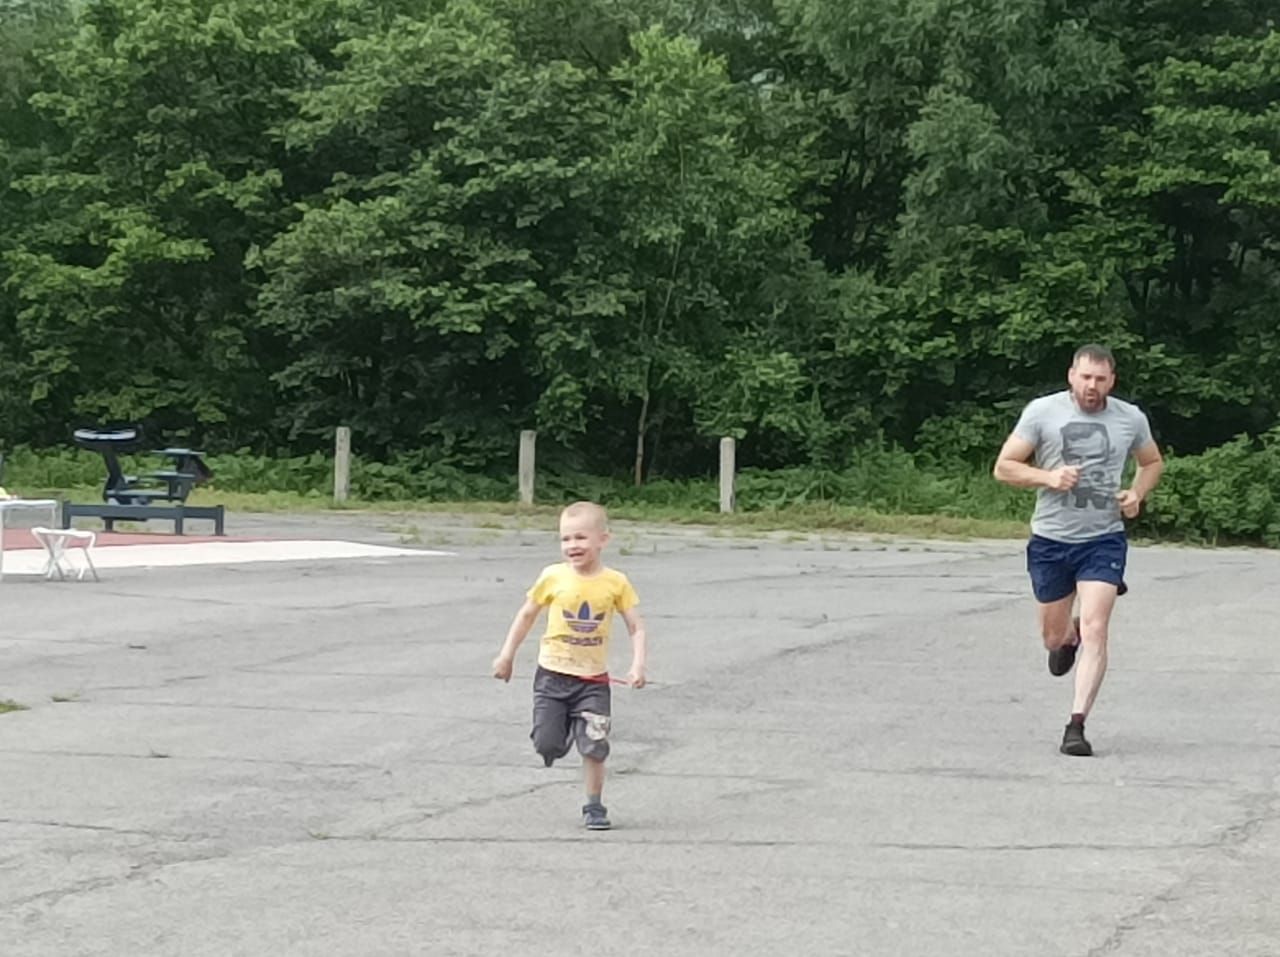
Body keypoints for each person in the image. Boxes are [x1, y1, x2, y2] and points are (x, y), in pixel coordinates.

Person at [993, 344, 1164, 757]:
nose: (1092, 386)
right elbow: (1004, 467)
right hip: (1051, 539)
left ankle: (1076, 725)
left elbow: (1152, 461)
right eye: (1085, 377)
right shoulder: (1042, 412)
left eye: (1100, 379)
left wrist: (1137, 493)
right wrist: (1048, 478)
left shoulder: (1129, 418)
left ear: (1112, 381)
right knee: (1054, 636)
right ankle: (1064, 638)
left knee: (1097, 627)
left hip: (1103, 538)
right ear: (1072, 375)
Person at [492, 501, 648, 829]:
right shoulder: (552, 576)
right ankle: (555, 739)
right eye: (566, 539)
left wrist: (638, 665)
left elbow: (636, 626)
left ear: (602, 539)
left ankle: (594, 807)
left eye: (580, 538)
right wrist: (507, 655)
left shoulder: (616, 582)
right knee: (546, 743)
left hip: (593, 683)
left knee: (594, 745)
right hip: (552, 676)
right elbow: (526, 615)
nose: (572, 546)